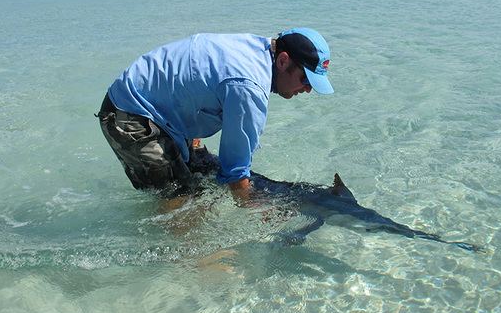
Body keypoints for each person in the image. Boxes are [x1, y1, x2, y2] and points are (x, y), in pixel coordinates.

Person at [97, 28, 333, 200]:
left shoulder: (255, 49)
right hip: (130, 115)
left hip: (159, 110)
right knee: (183, 203)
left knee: (200, 182)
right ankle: (194, 265)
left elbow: (200, 79)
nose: (308, 89)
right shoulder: (248, 86)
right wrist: (254, 209)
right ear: (283, 61)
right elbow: (235, 173)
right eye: (305, 79)